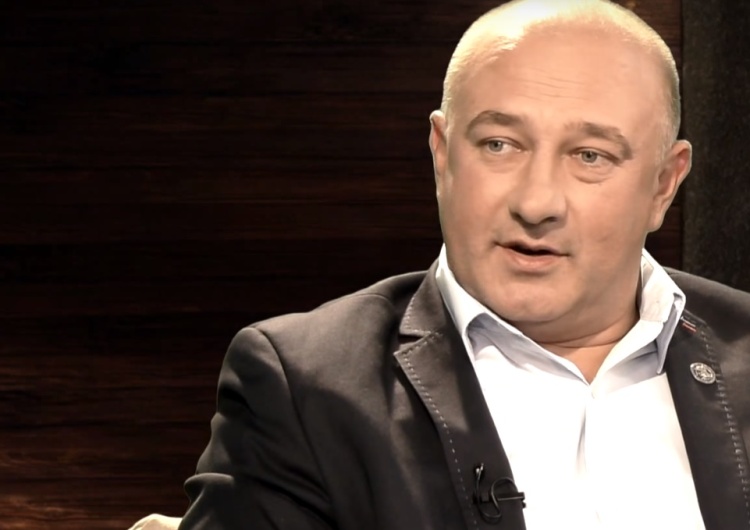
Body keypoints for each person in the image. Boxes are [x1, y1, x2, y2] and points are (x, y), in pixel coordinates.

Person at [176, 1, 750, 529]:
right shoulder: (305, 387)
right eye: (499, 144)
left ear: (664, 183)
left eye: (590, 156)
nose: (536, 203)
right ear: (442, 154)